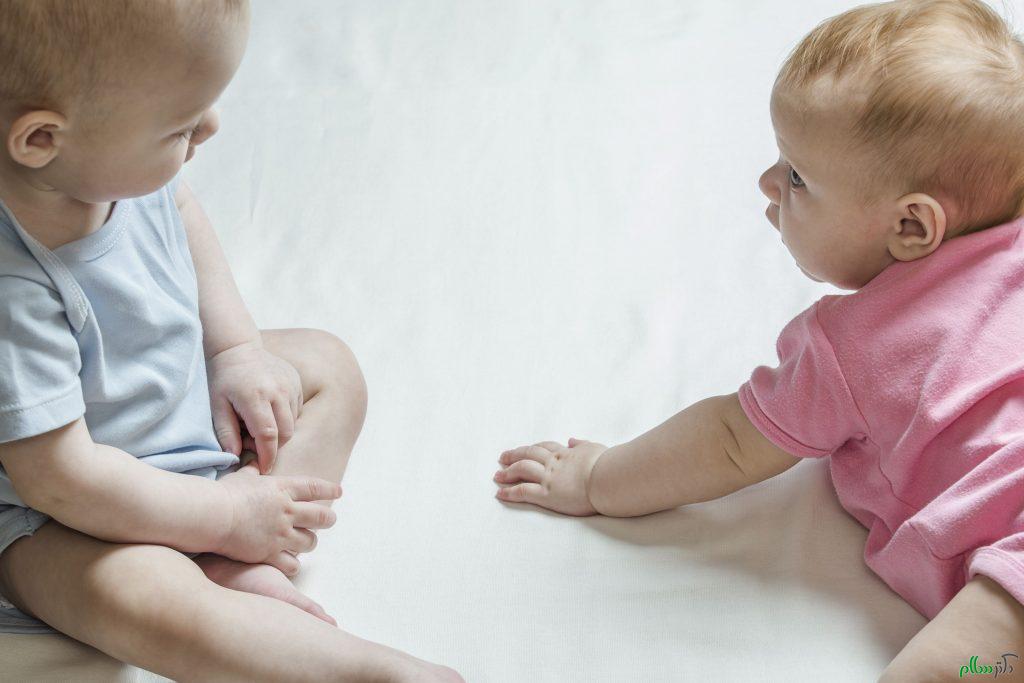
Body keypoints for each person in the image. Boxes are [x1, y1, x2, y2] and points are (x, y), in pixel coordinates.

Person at [494, 1, 1024, 679]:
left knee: (958, 665)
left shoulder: (853, 347)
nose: (768, 183)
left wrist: (600, 478)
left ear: (912, 227)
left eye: (797, 177)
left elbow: (730, 441)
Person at [0, 1, 461, 680]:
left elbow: (182, 213)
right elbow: (60, 478)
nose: (210, 127)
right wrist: (221, 514)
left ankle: (234, 554)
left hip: (181, 420)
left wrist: (235, 351)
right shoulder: (13, 287)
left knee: (326, 366)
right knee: (139, 599)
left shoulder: (108, 169)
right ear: (42, 139)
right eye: (180, 127)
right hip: (64, 516)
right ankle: (361, 670)